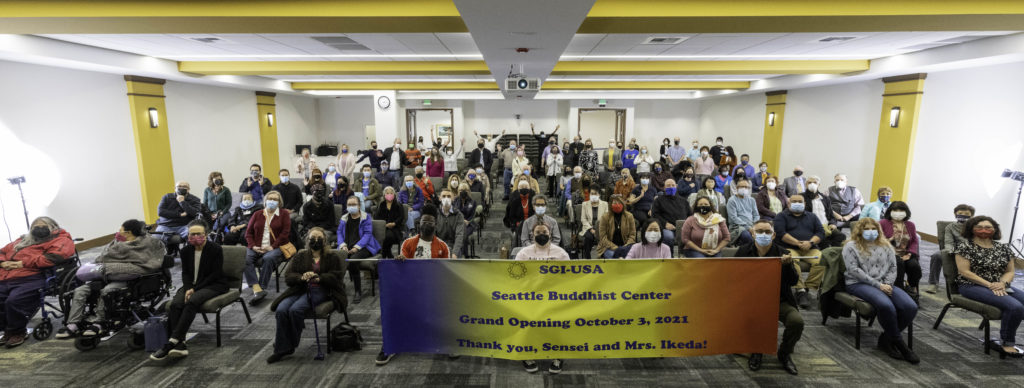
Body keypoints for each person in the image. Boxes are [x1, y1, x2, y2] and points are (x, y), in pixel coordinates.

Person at [59, 220, 163, 339]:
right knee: (81, 290)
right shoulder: (116, 243)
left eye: (120, 230)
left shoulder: (146, 243)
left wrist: (116, 267)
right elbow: (101, 258)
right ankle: (73, 324)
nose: (118, 232)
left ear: (128, 232)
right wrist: (115, 246)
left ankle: (99, 323)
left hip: (129, 278)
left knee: (108, 291)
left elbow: (148, 262)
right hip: (106, 275)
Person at [843, 218, 920, 364]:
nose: (871, 232)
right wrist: (878, 285)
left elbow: (893, 267)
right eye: (867, 229)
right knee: (886, 306)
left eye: (874, 229)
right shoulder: (850, 246)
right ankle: (899, 344)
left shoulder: (886, 245)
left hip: (885, 284)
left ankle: (886, 338)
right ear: (859, 230)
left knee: (910, 307)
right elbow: (854, 270)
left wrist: (887, 284)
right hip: (858, 283)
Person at [152, 220, 229, 360]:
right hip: (191, 286)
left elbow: (215, 274)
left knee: (192, 302)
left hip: (213, 284)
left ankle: (172, 341)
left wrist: (194, 289)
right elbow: (185, 273)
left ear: (205, 234)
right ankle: (180, 345)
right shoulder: (186, 250)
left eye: (198, 234)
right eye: (191, 234)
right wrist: (188, 288)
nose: (195, 236)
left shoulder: (215, 249)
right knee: (176, 304)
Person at [266, 227, 345, 364]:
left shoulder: (332, 257)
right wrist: (302, 277)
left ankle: (284, 348)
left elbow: (336, 277)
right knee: (281, 310)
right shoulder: (300, 256)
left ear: (325, 240)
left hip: (322, 289)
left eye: (319, 238)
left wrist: (319, 277)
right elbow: (289, 276)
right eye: (312, 238)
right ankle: (284, 346)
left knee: (295, 310)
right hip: (300, 288)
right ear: (307, 240)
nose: (315, 241)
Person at [735, 219, 802, 374]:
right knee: (755, 319)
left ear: (773, 235)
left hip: (780, 300)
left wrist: (787, 266)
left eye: (767, 232)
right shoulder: (743, 252)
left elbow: (793, 281)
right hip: (752, 301)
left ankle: (784, 353)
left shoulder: (784, 253)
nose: (763, 235)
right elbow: (736, 279)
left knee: (797, 322)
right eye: (759, 231)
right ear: (752, 233)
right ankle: (757, 351)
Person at [954, 216, 1024, 357]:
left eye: (988, 227)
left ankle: (1008, 327)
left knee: (1019, 303)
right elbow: (964, 272)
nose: (984, 230)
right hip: (971, 285)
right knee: (1015, 307)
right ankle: (1006, 342)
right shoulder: (964, 246)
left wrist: (1002, 284)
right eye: (979, 227)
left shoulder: (1003, 248)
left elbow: (1010, 271)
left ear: (995, 229)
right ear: (972, 229)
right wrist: (990, 285)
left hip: (999, 285)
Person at [0, 217, 74, 348]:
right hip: (7, 276)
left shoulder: (61, 240)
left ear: (53, 227)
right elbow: (2, 252)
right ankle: (7, 329)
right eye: (35, 227)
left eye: (43, 226)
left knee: (14, 301)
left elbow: (53, 258)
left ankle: (18, 331)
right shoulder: (22, 240)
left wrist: (22, 263)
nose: (39, 229)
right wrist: (3, 262)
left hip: (34, 276)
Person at [774, 195, 825, 308]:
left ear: (805, 204)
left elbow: (821, 232)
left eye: (800, 201)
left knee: (823, 260)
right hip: (789, 247)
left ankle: (808, 288)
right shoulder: (781, 216)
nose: (797, 203)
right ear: (788, 204)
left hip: (810, 248)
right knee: (792, 260)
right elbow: (780, 233)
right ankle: (800, 290)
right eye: (794, 201)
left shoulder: (812, 216)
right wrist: (797, 243)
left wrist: (810, 243)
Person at [244, 191, 291, 304]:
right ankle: (257, 289)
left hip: (276, 246)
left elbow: (285, 234)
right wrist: (253, 246)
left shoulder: (284, 214)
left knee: (268, 258)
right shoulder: (257, 214)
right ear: (265, 200)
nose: (272, 201)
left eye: (275, 199)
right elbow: (248, 233)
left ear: (279, 202)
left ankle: (262, 287)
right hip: (257, 246)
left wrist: (272, 246)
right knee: (245, 259)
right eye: (270, 198)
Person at [337, 196, 380, 304]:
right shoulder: (344, 218)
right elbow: (339, 233)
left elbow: (367, 234)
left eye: (354, 204)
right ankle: (337, 287)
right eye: (349, 205)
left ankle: (358, 291)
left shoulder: (366, 217)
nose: (351, 207)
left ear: (359, 205)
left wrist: (357, 247)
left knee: (353, 261)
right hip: (347, 246)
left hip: (364, 247)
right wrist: (342, 245)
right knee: (336, 259)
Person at [927, 204, 974, 294]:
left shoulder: (976, 227)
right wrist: (952, 251)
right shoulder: (950, 227)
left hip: (970, 251)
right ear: (955, 214)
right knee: (937, 256)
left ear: (972, 216)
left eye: (966, 213)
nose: (963, 215)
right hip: (953, 250)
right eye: (960, 213)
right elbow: (948, 243)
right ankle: (933, 283)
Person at [880, 201, 921, 297]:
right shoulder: (883, 223)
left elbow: (914, 241)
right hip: (889, 254)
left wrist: (910, 254)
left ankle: (911, 287)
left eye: (901, 210)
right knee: (899, 264)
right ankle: (899, 290)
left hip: (906, 253)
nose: (898, 213)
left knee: (914, 266)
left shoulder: (910, 225)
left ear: (906, 212)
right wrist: (890, 239)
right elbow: (878, 242)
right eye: (895, 210)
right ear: (890, 211)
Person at [801, 176, 846, 248]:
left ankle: (831, 250)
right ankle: (825, 247)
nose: (812, 184)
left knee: (841, 236)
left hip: (827, 226)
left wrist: (832, 224)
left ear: (819, 185)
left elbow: (831, 215)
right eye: (809, 182)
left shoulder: (825, 198)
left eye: (815, 182)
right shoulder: (801, 197)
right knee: (824, 241)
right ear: (806, 184)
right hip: (812, 227)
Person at [651, 179, 691, 247]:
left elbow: (690, 215)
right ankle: (669, 255)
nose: (671, 187)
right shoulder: (658, 200)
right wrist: (665, 224)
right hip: (666, 228)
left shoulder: (683, 201)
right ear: (664, 188)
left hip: (683, 227)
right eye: (668, 186)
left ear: (676, 187)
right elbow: (655, 215)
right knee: (668, 237)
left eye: (673, 185)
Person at [375, 186, 407, 259]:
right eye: (387, 193)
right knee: (386, 236)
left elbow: (401, 217)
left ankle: (384, 254)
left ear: (394, 194)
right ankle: (389, 254)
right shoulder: (381, 204)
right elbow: (377, 217)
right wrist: (385, 224)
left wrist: (394, 223)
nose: (389, 194)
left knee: (388, 237)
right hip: (383, 227)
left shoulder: (398, 204)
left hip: (396, 228)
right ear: (384, 195)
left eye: (391, 193)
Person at [726, 179, 758, 246]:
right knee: (747, 237)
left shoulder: (752, 200)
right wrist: (748, 228)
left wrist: (755, 225)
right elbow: (733, 218)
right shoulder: (732, 200)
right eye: (742, 187)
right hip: (738, 227)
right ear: (737, 188)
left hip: (752, 226)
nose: (744, 188)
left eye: (746, 187)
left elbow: (756, 215)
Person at [579, 188, 608, 259]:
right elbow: (583, 219)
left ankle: (602, 257)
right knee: (588, 237)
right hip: (588, 228)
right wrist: (591, 229)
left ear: (599, 195)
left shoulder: (605, 204)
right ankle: (588, 258)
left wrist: (598, 230)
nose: (593, 195)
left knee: (604, 237)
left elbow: (606, 219)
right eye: (592, 194)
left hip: (601, 228)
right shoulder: (584, 204)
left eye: (595, 194)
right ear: (589, 194)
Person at [435, 189, 466, 257]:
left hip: (453, 245)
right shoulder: (435, 214)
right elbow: (433, 235)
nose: (446, 198)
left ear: (453, 198)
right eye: (444, 196)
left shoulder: (459, 215)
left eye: (449, 196)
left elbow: (459, 235)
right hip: (438, 246)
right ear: (439, 198)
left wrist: (454, 253)